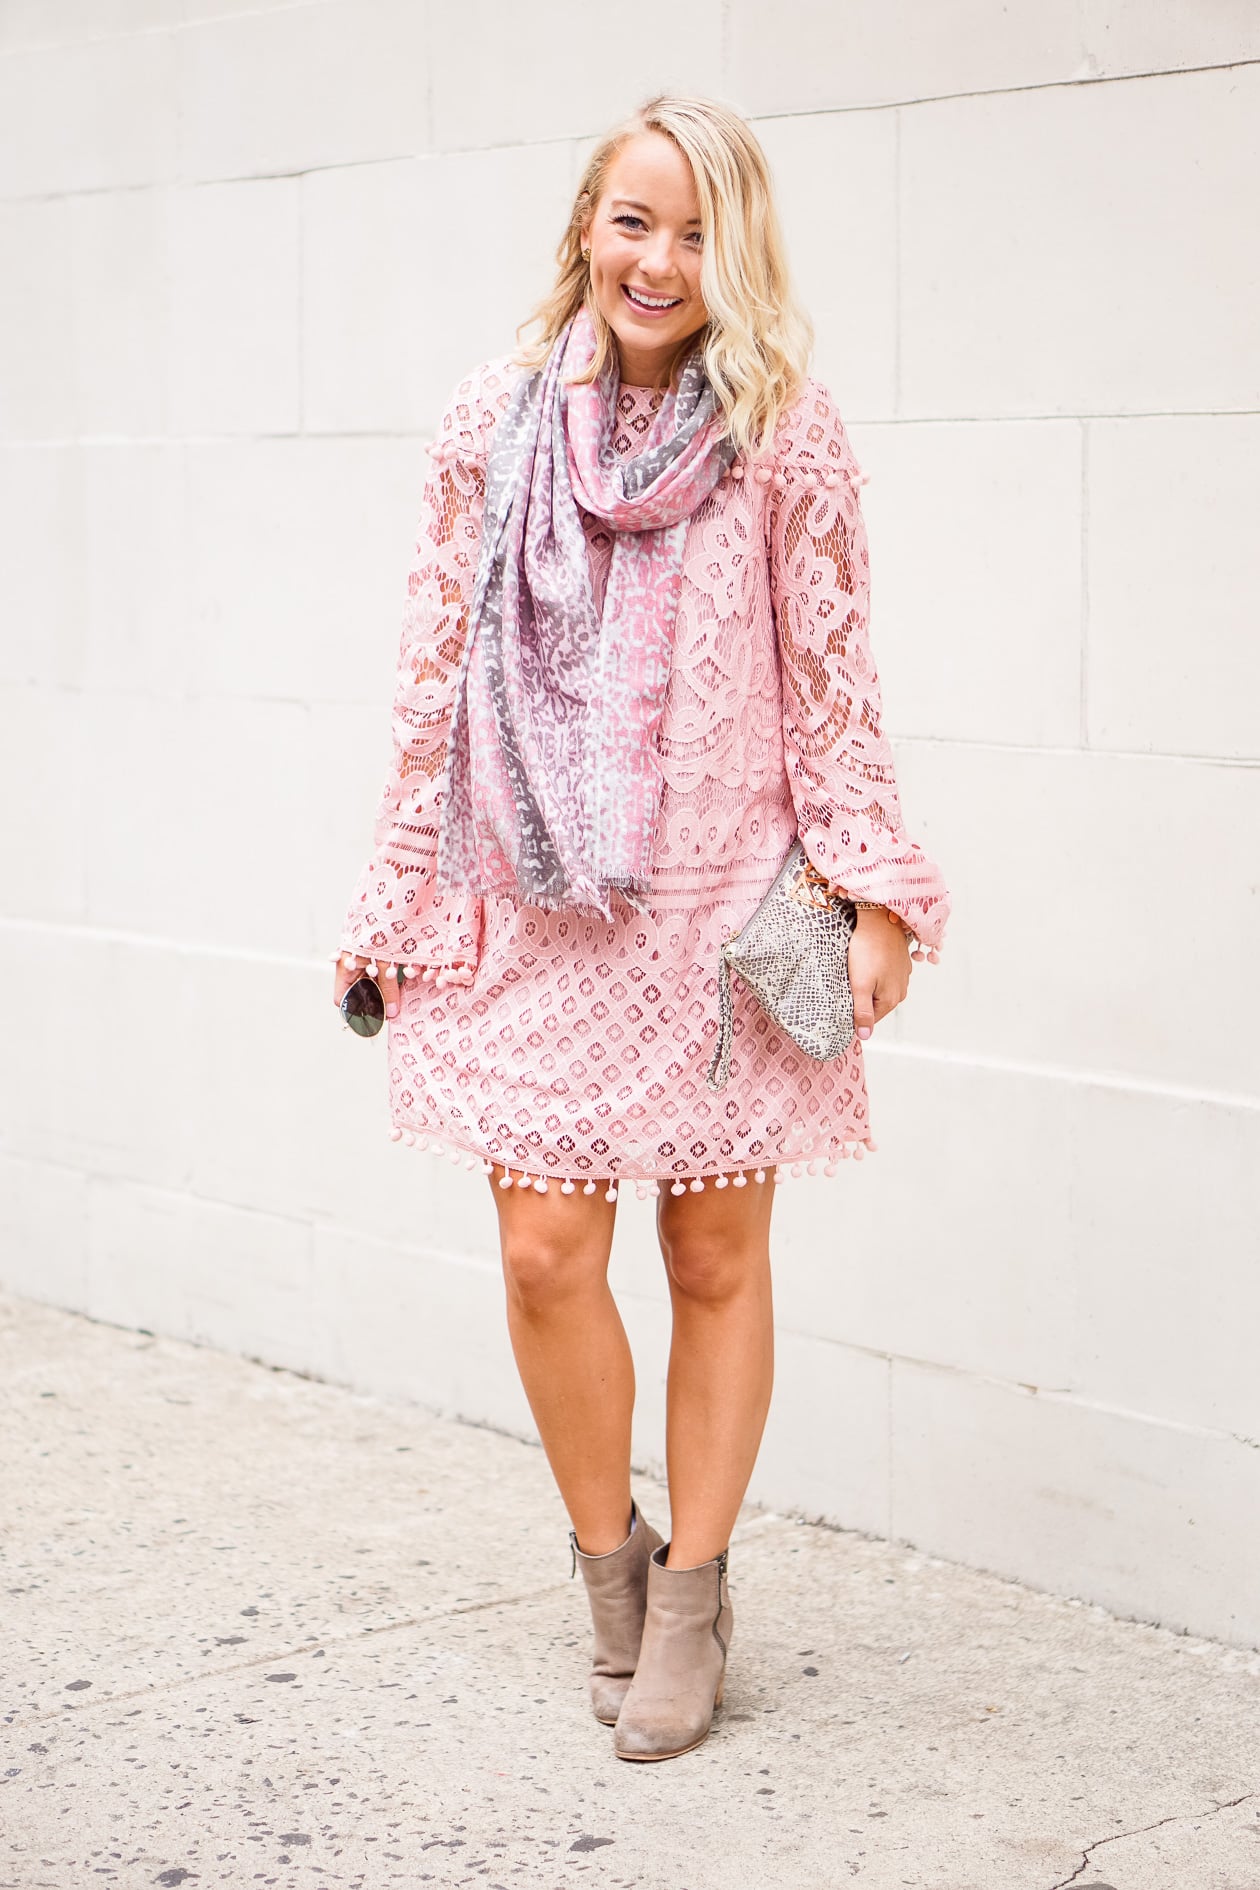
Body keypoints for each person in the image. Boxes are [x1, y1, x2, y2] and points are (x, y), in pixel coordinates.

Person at [331, 93, 950, 1763]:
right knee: (546, 1251)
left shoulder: (782, 430)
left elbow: (834, 679)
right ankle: (609, 1564)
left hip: (725, 909)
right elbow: (431, 679)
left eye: (694, 232)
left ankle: (691, 1597)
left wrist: (874, 889)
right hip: (528, 901)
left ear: (735, 253)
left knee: (712, 1255)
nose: (659, 260)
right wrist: (394, 890)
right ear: (585, 230)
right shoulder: (492, 420)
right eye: (632, 221)